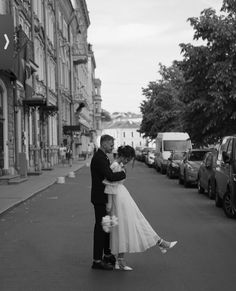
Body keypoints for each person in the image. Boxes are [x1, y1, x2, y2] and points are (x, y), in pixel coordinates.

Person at [103, 145, 177, 271]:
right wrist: (109, 203)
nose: (128, 161)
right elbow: (109, 185)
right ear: (123, 155)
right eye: (127, 158)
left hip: (122, 198)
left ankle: (159, 243)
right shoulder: (115, 165)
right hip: (119, 199)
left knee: (128, 226)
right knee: (127, 226)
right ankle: (160, 243)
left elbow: (112, 185)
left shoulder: (117, 165)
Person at [90, 135, 126, 270]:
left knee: (106, 228)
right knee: (100, 229)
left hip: (102, 197)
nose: (112, 147)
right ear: (104, 144)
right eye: (111, 145)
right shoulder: (99, 158)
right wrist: (123, 173)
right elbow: (110, 176)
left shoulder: (103, 156)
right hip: (100, 199)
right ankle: (97, 261)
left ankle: (106, 255)